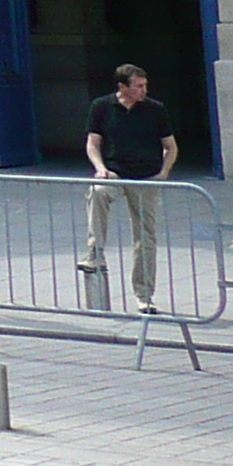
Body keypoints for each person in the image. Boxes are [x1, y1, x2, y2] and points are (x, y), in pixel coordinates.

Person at [82, 62, 179, 308]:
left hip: (146, 176)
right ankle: (95, 252)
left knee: (145, 236)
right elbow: (93, 143)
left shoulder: (155, 109)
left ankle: (144, 296)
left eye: (145, 85)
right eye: (138, 86)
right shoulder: (102, 107)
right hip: (115, 172)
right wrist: (100, 168)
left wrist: (163, 173)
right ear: (122, 87)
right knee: (98, 191)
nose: (143, 90)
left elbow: (170, 146)